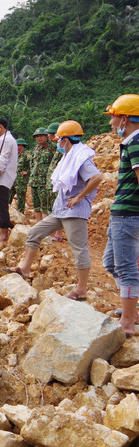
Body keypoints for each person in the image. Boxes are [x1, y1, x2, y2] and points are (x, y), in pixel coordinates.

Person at [9, 121, 102, 300]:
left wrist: (78, 197)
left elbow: (97, 177)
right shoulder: (69, 156)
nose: (57, 143)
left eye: (59, 140)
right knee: (34, 233)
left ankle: (81, 289)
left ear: (66, 140)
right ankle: (25, 268)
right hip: (60, 211)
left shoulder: (81, 158)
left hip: (74, 212)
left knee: (79, 249)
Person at [103, 94, 139, 335]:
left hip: (128, 215)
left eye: (114, 118)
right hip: (121, 214)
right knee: (109, 262)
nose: (111, 124)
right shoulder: (130, 142)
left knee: (126, 268)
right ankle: (131, 310)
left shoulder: (136, 142)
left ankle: (128, 322)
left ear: (125, 118)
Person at [28, 126, 56, 224]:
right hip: (35, 181)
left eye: (41, 136)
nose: (38, 138)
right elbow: (32, 163)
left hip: (44, 182)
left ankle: (46, 230)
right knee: (36, 205)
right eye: (36, 136)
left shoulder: (53, 147)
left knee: (45, 206)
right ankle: (38, 226)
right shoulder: (36, 148)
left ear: (47, 136)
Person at [46, 122, 65, 242]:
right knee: (52, 207)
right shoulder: (56, 148)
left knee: (59, 208)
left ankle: (59, 233)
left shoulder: (62, 148)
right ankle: (54, 232)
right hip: (52, 183)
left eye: (50, 134)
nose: (48, 136)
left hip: (59, 184)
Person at [12, 138, 30, 214]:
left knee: (21, 198)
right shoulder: (17, 155)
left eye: (18, 145)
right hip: (14, 179)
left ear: (21, 146)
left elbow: (33, 164)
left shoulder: (27, 154)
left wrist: (27, 172)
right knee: (9, 196)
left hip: (21, 181)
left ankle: (20, 214)